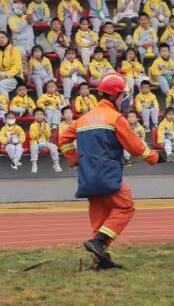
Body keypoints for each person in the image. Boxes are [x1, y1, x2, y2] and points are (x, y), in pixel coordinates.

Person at [58, 73, 165, 270]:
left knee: (100, 216)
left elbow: (63, 138)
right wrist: (156, 157)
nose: (124, 99)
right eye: (122, 95)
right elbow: (136, 147)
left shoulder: (84, 119)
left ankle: (101, 260)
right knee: (125, 206)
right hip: (107, 174)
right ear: (114, 95)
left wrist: (74, 160)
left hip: (87, 175)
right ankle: (98, 242)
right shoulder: (116, 118)